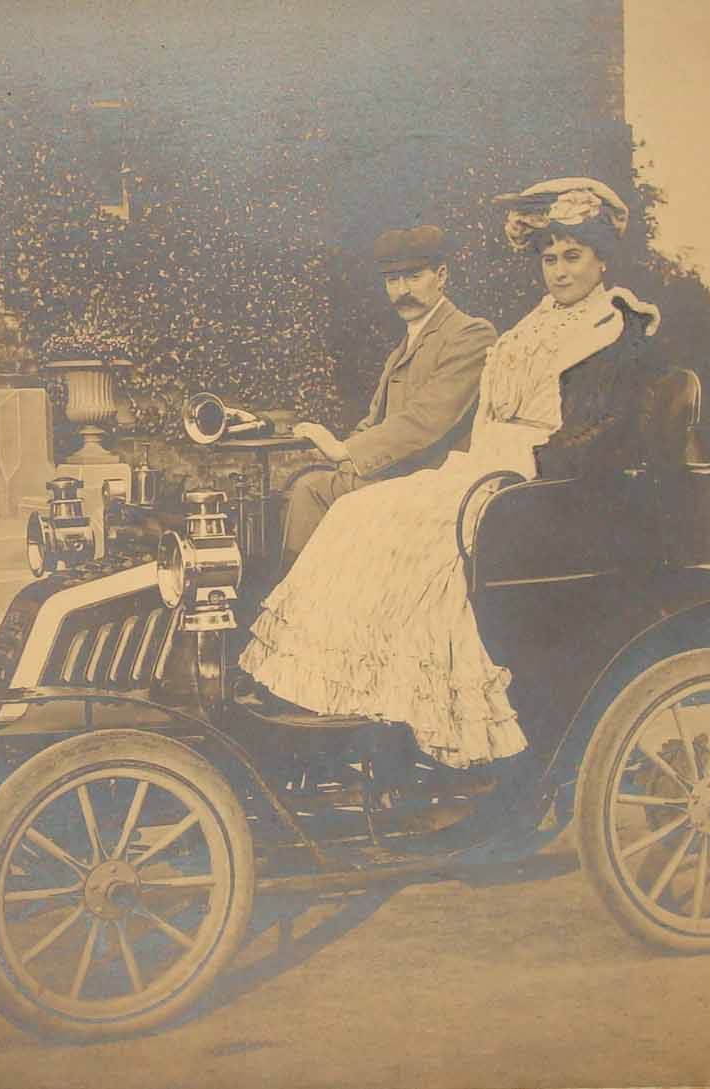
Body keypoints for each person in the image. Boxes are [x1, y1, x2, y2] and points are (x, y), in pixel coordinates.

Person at [240, 178, 661, 769]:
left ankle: (411, 707)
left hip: (542, 480)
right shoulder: (533, 326)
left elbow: (597, 434)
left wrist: (523, 463)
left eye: (573, 258)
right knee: (359, 511)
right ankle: (352, 692)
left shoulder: (615, 330)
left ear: (601, 260)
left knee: (414, 535)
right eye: (549, 259)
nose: (560, 273)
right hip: (486, 466)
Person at [282, 225, 497, 569]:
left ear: (441, 276)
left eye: (413, 277)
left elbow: (428, 419)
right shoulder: (406, 344)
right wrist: (344, 453)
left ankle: (295, 602)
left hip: (434, 480)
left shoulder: (470, 334)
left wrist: (345, 450)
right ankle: (296, 604)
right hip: (394, 472)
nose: (401, 292)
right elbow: (374, 420)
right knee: (308, 487)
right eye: (392, 281)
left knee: (312, 491)